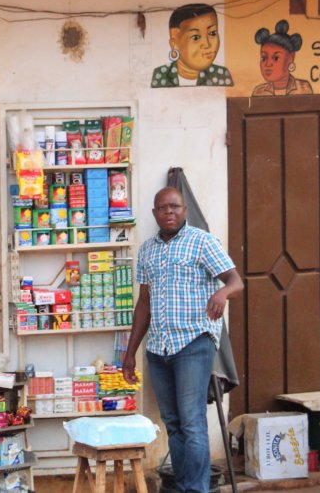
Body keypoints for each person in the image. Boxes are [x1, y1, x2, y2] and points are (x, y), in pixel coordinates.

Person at [123, 187, 244, 493]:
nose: (169, 212)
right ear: (154, 213)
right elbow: (144, 304)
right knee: (173, 423)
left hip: (193, 343)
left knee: (191, 422)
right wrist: (130, 354)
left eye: (175, 207)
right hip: (158, 348)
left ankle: (197, 489)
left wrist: (222, 293)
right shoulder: (147, 250)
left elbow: (235, 280)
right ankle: (185, 486)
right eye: (163, 208)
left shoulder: (202, 241)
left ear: (184, 209)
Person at [150, 3, 234, 87]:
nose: (207, 45)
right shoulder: (161, 75)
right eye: (196, 37)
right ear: (174, 44)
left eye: (212, 33)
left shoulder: (221, 75)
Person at [251, 20, 313, 96]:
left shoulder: (303, 88)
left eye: (276, 58)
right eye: (263, 58)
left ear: (291, 58)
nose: (268, 64)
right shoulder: (258, 92)